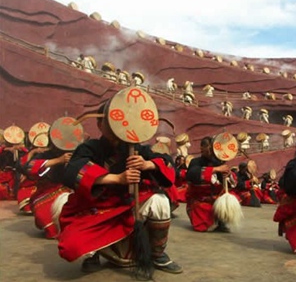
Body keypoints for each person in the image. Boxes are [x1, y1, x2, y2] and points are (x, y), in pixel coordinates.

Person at [57, 106, 182, 277]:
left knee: (159, 200)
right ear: (99, 124)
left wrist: (147, 164)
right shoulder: (89, 148)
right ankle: (93, 254)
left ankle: (157, 253)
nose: (115, 126)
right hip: (96, 210)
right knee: (71, 246)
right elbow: (73, 172)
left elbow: (168, 164)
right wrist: (117, 178)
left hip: (128, 205)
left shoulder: (137, 148)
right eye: (109, 122)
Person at [185, 136, 238, 232]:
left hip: (216, 198)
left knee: (230, 197)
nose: (210, 150)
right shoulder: (195, 162)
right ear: (202, 148)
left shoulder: (218, 162)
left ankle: (222, 221)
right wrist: (216, 169)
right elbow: (192, 174)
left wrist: (228, 174)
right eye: (208, 147)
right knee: (201, 226)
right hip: (200, 200)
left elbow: (231, 184)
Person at [21, 144, 73, 238]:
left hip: (73, 189)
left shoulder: (80, 151)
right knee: (44, 215)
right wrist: (58, 160)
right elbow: (27, 167)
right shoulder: (46, 154)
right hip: (48, 189)